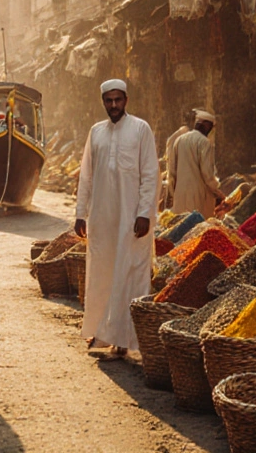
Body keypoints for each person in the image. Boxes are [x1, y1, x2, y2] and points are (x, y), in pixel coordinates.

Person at [75, 79, 158, 361]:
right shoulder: (96, 132)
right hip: (102, 218)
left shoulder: (140, 129)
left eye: (118, 100)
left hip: (132, 218)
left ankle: (125, 339)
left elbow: (150, 175)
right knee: (102, 274)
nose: (113, 105)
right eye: (108, 100)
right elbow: (86, 176)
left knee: (130, 273)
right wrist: (79, 213)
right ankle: (102, 332)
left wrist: (145, 212)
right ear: (103, 101)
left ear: (126, 99)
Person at [169, 110, 225, 218]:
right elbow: (207, 174)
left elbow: (172, 170)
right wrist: (217, 192)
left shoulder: (179, 140)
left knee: (182, 229)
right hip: (198, 197)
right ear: (207, 126)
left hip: (180, 196)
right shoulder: (205, 142)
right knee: (197, 230)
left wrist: (174, 192)